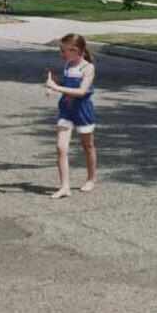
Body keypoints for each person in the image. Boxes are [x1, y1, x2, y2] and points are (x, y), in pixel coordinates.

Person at [45, 33, 97, 199]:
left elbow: (81, 91)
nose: (62, 54)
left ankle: (91, 178)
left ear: (77, 51)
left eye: (64, 50)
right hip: (66, 111)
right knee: (61, 148)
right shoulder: (68, 65)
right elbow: (66, 84)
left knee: (88, 146)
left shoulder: (88, 68)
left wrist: (57, 88)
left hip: (82, 111)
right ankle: (65, 186)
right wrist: (53, 86)